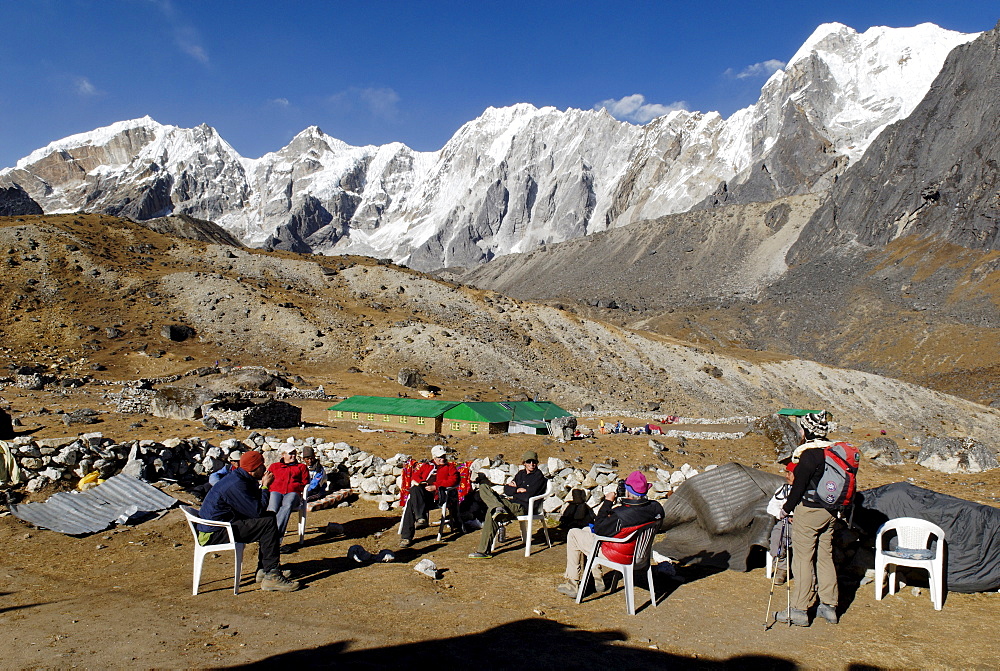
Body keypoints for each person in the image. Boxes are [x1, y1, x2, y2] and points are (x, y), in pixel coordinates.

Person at [196, 451, 299, 592]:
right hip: (215, 532)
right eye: (261, 466)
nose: (264, 468)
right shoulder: (237, 484)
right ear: (252, 469)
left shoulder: (241, 478)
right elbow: (257, 512)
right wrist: (265, 487)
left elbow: (256, 508)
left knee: (269, 518)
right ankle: (271, 575)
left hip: (221, 525)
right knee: (267, 522)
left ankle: (265, 569)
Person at [557, 471, 664, 597]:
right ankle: (596, 578)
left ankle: (573, 583)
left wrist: (608, 502)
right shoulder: (656, 508)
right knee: (586, 531)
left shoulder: (620, 514)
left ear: (628, 491)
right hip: (640, 554)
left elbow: (598, 528)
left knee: (574, 534)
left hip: (620, 555)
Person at [776, 411, 839, 627]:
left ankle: (799, 609)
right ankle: (829, 606)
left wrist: (786, 509)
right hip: (830, 512)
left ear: (808, 431)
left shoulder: (809, 455)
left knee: (803, 558)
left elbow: (798, 486)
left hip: (809, 510)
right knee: (825, 556)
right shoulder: (834, 453)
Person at [468, 450, 547, 558]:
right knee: (483, 486)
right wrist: (517, 490)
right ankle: (498, 508)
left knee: (492, 510)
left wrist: (515, 490)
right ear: (524, 463)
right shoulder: (520, 474)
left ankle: (483, 550)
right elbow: (507, 489)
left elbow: (528, 496)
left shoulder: (538, 477)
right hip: (511, 503)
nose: (532, 464)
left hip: (523, 507)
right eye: (529, 462)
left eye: (534, 462)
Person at [398, 445, 460, 548]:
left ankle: (407, 536)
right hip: (423, 496)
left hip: (437, 497)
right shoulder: (427, 466)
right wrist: (420, 482)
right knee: (415, 490)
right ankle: (420, 518)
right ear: (434, 457)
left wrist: (436, 486)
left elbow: (454, 480)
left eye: (444, 456)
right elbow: (415, 475)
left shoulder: (450, 467)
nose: (443, 459)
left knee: (411, 504)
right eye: (440, 457)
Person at [266, 447, 309, 544]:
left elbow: (305, 482)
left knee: (287, 505)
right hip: (276, 491)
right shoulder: (275, 466)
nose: (293, 456)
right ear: (283, 455)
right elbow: (267, 478)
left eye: (294, 453)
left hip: (293, 493)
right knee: (272, 508)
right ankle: (267, 534)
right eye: (290, 453)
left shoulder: (301, 467)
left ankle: (275, 538)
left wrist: (297, 487)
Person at [766, 462, 796, 585]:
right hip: (786, 523)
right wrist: (782, 514)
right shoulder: (783, 490)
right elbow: (771, 507)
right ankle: (782, 568)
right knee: (777, 536)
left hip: (805, 525)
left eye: (790, 473)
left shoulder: (812, 490)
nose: (787, 476)